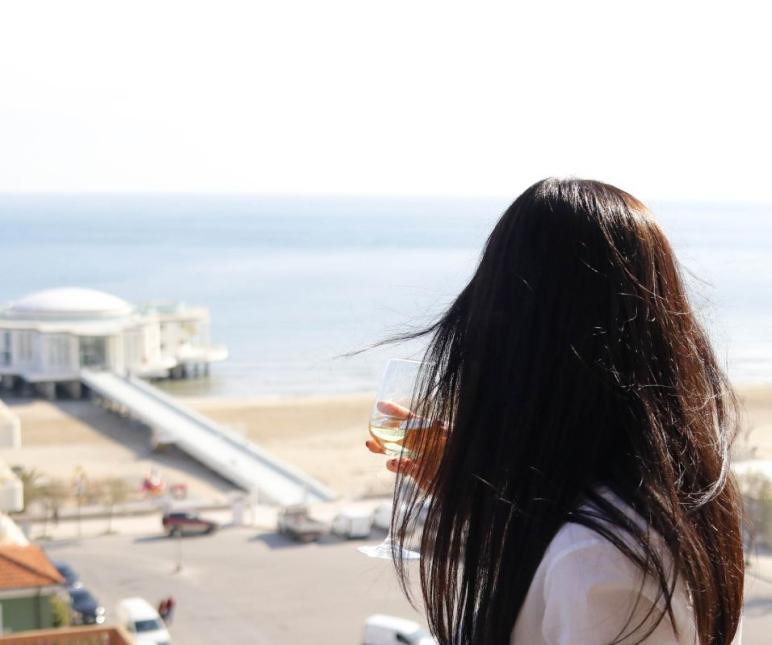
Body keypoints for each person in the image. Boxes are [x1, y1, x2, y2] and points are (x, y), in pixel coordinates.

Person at [366, 178, 743, 644]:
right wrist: (483, 499)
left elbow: (572, 579)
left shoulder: (596, 562)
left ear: (522, 346)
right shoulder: (662, 503)